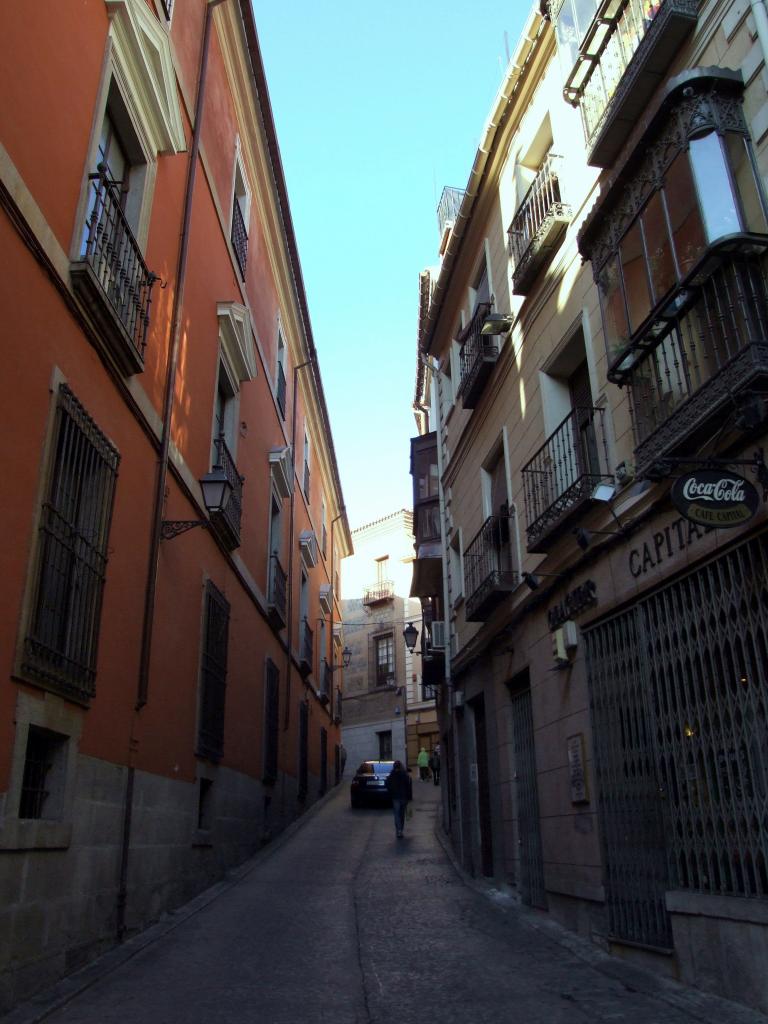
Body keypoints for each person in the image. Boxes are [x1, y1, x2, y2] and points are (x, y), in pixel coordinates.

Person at [385, 760, 413, 838]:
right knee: (401, 814)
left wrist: (391, 792)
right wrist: (409, 797)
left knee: (397, 814)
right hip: (404, 797)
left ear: (394, 767)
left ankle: (399, 830)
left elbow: (387, 784)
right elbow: (408, 786)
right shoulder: (404, 774)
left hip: (395, 797)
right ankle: (401, 830)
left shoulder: (391, 775)